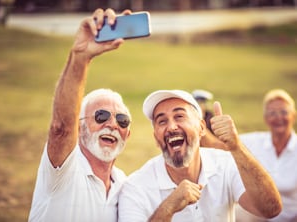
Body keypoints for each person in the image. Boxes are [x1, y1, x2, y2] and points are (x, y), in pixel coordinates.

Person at [28, 8, 132, 221]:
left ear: (128, 135)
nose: (112, 124)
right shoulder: (64, 171)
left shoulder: (126, 186)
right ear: (79, 126)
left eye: (122, 120)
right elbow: (61, 128)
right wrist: (80, 58)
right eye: (101, 116)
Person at [118, 89, 282, 222]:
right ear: (156, 137)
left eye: (179, 116)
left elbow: (270, 209)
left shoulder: (224, 163)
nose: (172, 127)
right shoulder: (135, 186)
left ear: (202, 128)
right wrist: (168, 207)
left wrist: (237, 147)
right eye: (162, 121)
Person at [236, 89, 297, 222]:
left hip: (291, 218)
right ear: (266, 119)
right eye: (272, 113)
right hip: (260, 216)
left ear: (293, 115)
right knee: (233, 212)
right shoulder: (256, 141)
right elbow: (226, 143)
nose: (278, 118)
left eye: (284, 112)